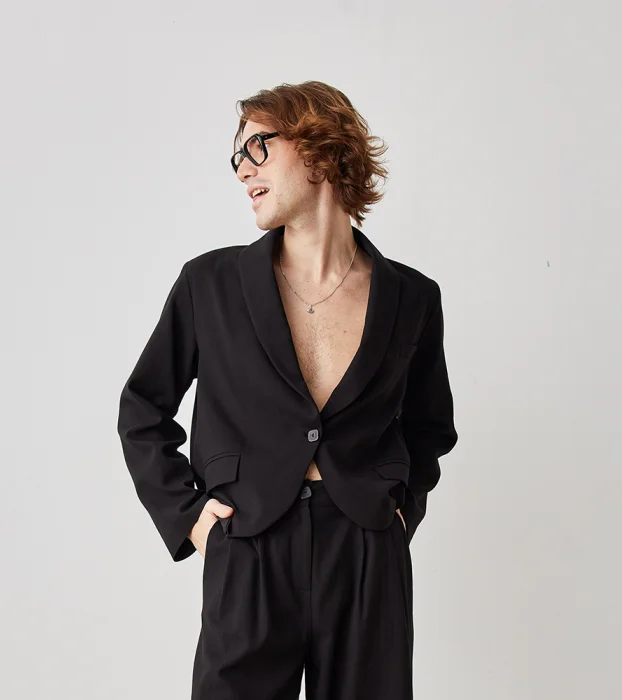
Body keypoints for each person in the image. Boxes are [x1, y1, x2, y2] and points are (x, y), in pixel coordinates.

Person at [117, 80, 458, 700]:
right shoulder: (209, 284)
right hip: (248, 541)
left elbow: (429, 427)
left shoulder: (412, 297)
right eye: (237, 156)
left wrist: (398, 511)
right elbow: (143, 408)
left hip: (365, 549)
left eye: (258, 148)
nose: (242, 170)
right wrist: (189, 518)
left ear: (320, 148)